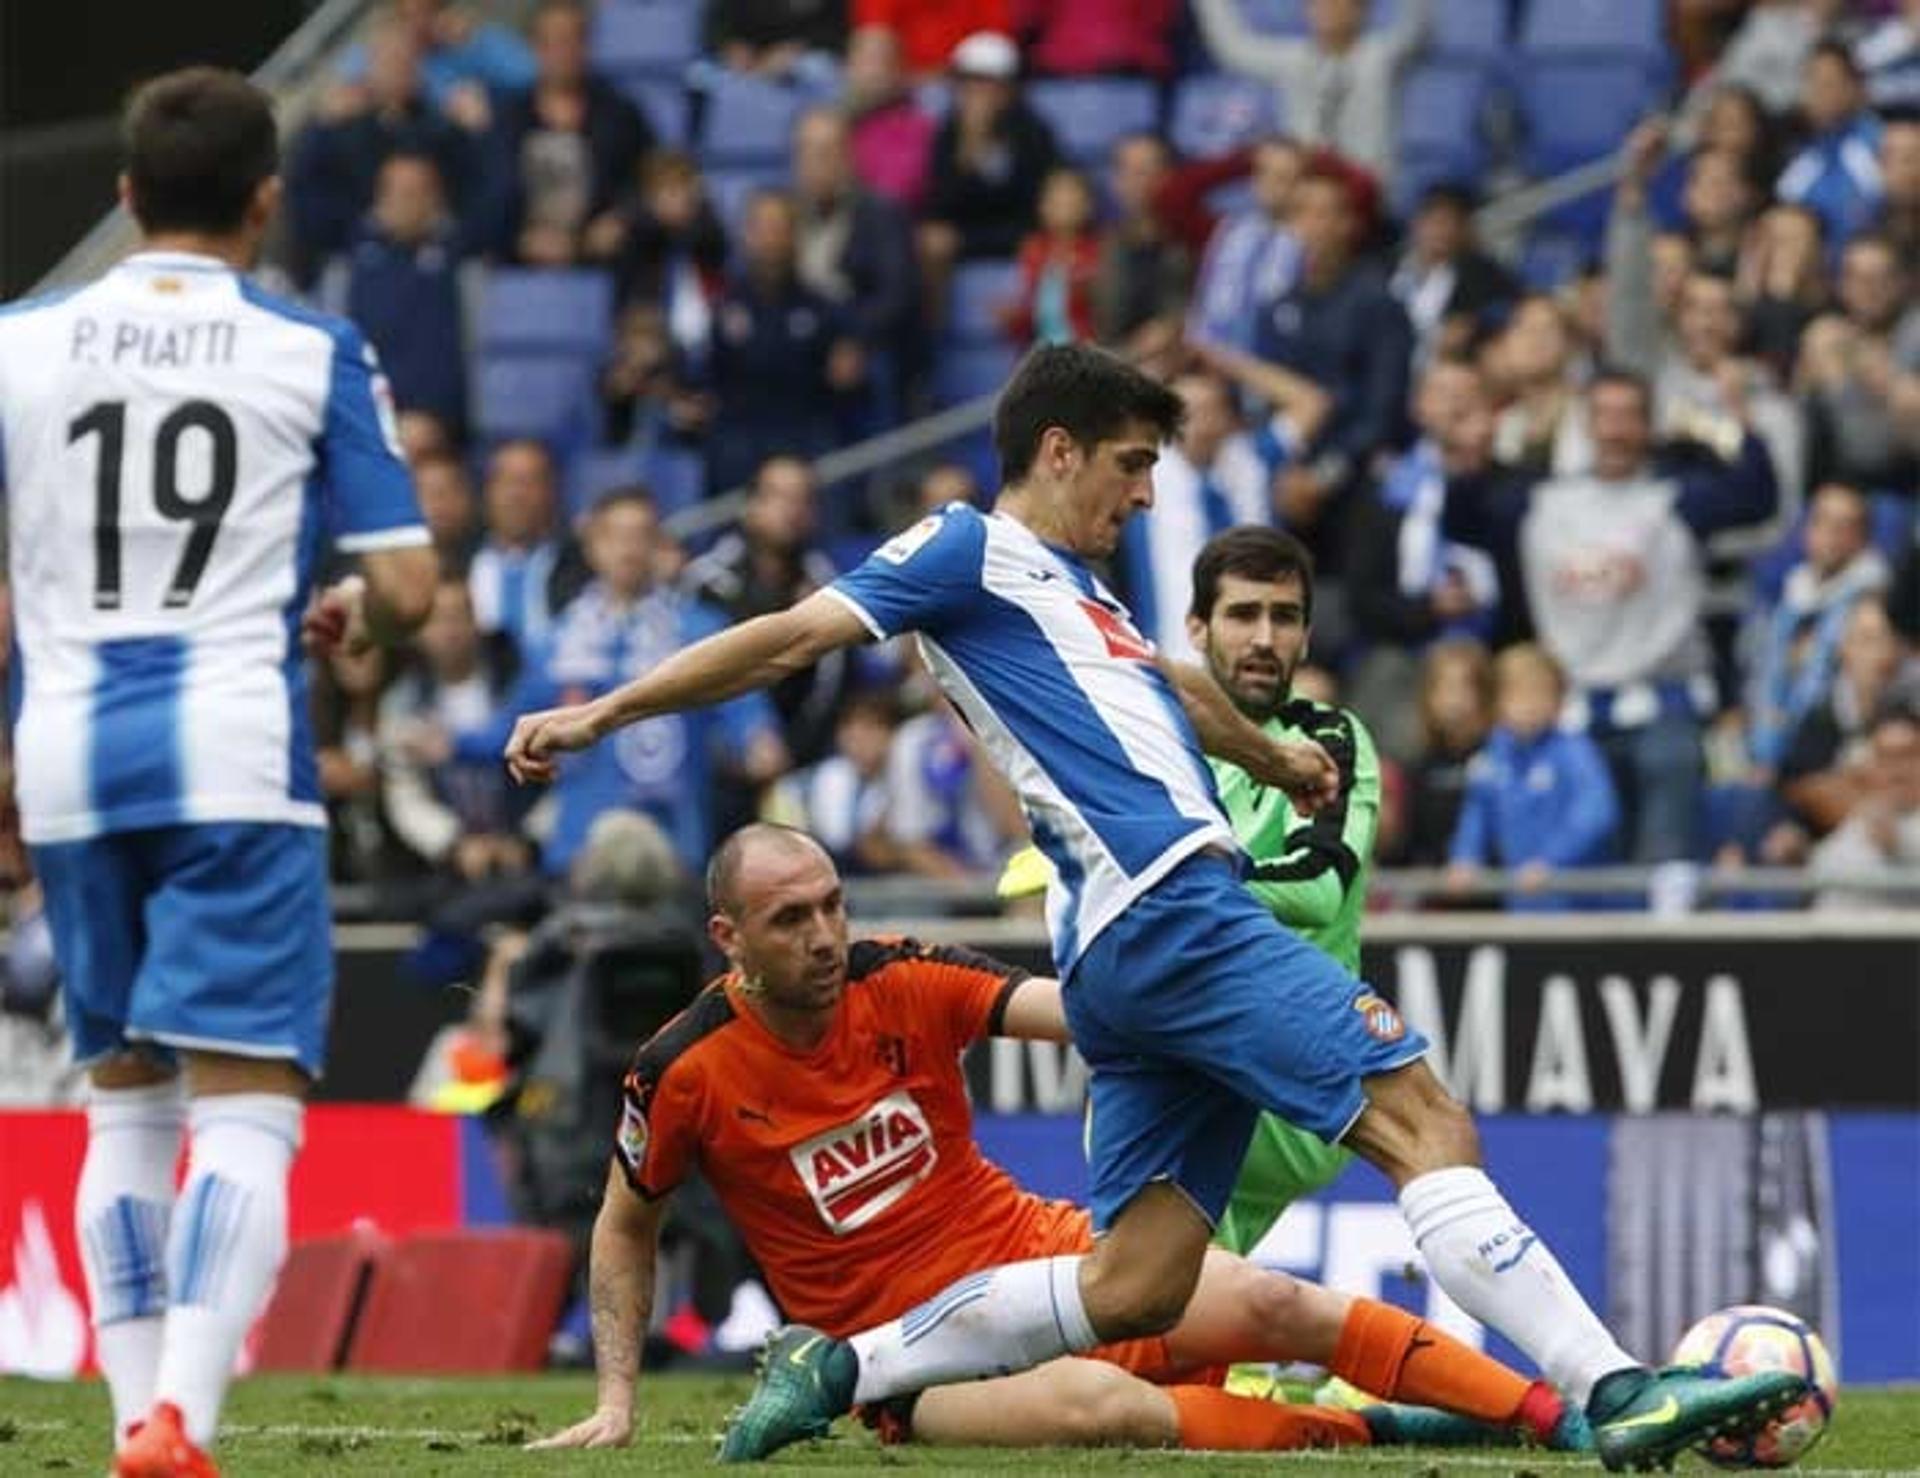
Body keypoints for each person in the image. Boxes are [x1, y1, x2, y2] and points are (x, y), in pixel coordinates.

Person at [502, 343, 1806, 1469]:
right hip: (1173, 911)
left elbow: (1169, 691)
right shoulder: (965, 546)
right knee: (1423, 1118)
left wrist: (1273, 754)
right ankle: (1620, 1391)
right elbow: (790, 634)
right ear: (1056, 450)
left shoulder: (1079, 593)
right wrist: (607, 710)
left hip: (1119, 952)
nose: (1142, 492)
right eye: (1129, 464)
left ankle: (845, 1370)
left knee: (1140, 1278)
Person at [530, 824, 1583, 1454]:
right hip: (908, 1363)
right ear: (730, 938)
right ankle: (1383, 1431)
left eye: (832, 906)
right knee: (1099, 1407)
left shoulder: (902, 975)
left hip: (1043, 1256)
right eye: (791, 918)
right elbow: (626, 1225)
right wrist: (616, 1395)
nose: (823, 935)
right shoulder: (685, 1067)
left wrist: (1230, 1006)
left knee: (1271, 1298)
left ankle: (1558, 1415)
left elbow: (1083, 1010)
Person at [0, 68, 437, 1474]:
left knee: (122, 1093)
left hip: (66, 755)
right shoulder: (311, 349)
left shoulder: (19, 341)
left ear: (124, 196)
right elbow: (410, 586)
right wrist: (354, 616)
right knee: (246, 1100)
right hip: (236, 757)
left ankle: (135, 1418)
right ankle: (183, 1409)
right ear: (267, 199)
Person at [1444, 645, 1621, 913]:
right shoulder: (1493, 755)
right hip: (1523, 901)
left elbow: (1597, 813)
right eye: (1517, 694)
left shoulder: (1575, 751)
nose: (1528, 704)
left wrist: (1551, 861)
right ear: (1498, 702)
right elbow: (1477, 814)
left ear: (1559, 701)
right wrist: (1465, 857)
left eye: (1539, 693)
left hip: (1579, 902)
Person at [1191, 0, 1431, 190]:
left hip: (1365, 193)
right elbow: (1233, 48)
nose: (1326, 9)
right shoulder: (1294, 59)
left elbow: (1417, 32)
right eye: (1317, 2)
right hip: (1304, 196)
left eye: (1337, 2)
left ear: (1361, 11)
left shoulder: (1382, 56)